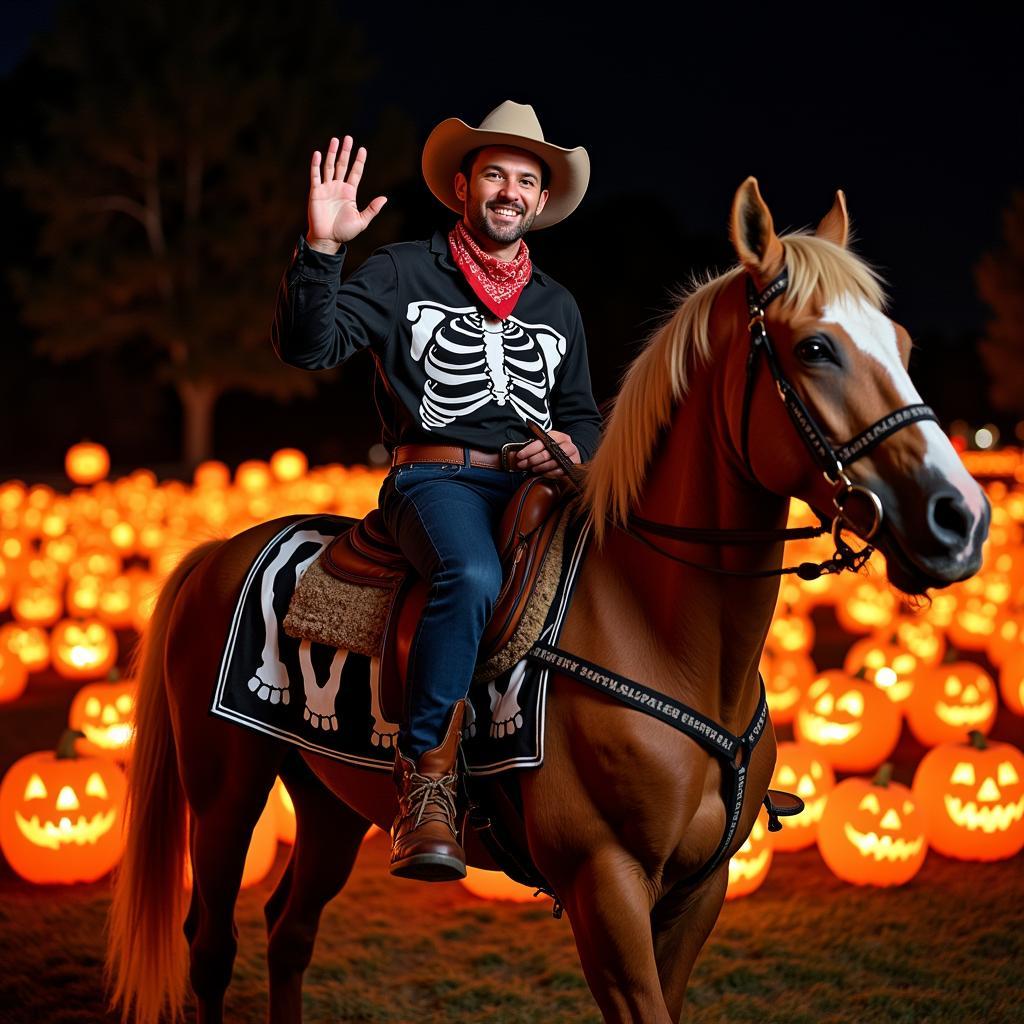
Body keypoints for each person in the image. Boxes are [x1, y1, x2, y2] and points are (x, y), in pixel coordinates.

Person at [271, 100, 602, 882]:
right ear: (463, 186)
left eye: (527, 180)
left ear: (542, 201)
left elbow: (583, 410)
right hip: (434, 478)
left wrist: (571, 447)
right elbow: (308, 347)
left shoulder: (558, 304)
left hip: (540, 490)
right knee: (473, 575)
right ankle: (428, 783)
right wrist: (322, 250)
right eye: (495, 174)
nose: (510, 191)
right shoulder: (401, 270)